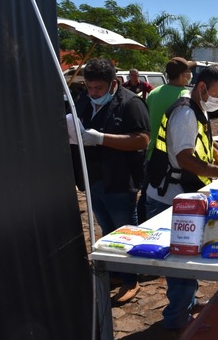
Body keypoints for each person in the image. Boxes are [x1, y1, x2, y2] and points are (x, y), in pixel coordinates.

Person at [145, 64, 218, 330]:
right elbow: (184, 158)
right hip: (168, 198)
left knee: (187, 257)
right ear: (202, 88)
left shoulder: (197, 108)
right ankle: (177, 321)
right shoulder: (185, 114)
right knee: (180, 262)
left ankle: (186, 305)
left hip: (183, 196)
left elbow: (201, 139)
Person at [73, 58, 150, 303]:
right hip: (93, 178)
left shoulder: (130, 103)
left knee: (125, 231)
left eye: (98, 88)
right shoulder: (85, 101)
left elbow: (141, 140)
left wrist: (103, 139)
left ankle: (131, 279)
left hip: (120, 180)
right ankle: (117, 272)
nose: (93, 93)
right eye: (89, 87)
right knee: (107, 229)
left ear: (113, 83)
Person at [135, 57, 195, 223]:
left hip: (151, 154)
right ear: (183, 76)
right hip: (172, 158)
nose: (190, 74)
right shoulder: (185, 96)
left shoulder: (154, 93)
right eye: (188, 72)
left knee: (147, 195)